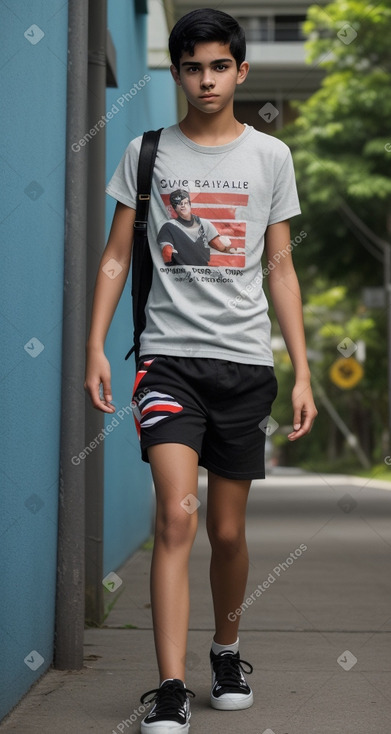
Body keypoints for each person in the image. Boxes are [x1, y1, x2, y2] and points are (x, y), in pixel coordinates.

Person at [84, 7, 318, 734]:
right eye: (192, 66)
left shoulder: (268, 158)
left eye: (219, 65)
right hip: (168, 364)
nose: (205, 78)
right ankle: (171, 686)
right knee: (174, 518)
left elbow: (279, 267)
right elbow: (118, 256)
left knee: (225, 531)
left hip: (245, 363)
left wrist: (303, 370)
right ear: (178, 71)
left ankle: (225, 648)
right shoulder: (146, 152)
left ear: (240, 71)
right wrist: (94, 345)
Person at [158, 188, 234, 266]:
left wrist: (232, 249)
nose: (183, 206)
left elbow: (219, 246)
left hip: (199, 272)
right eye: (179, 203)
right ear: (174, 207)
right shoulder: (169, 226)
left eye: (185, 203)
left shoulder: (205, 224)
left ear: (190, 204)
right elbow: (167, 253)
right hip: (187, 273)